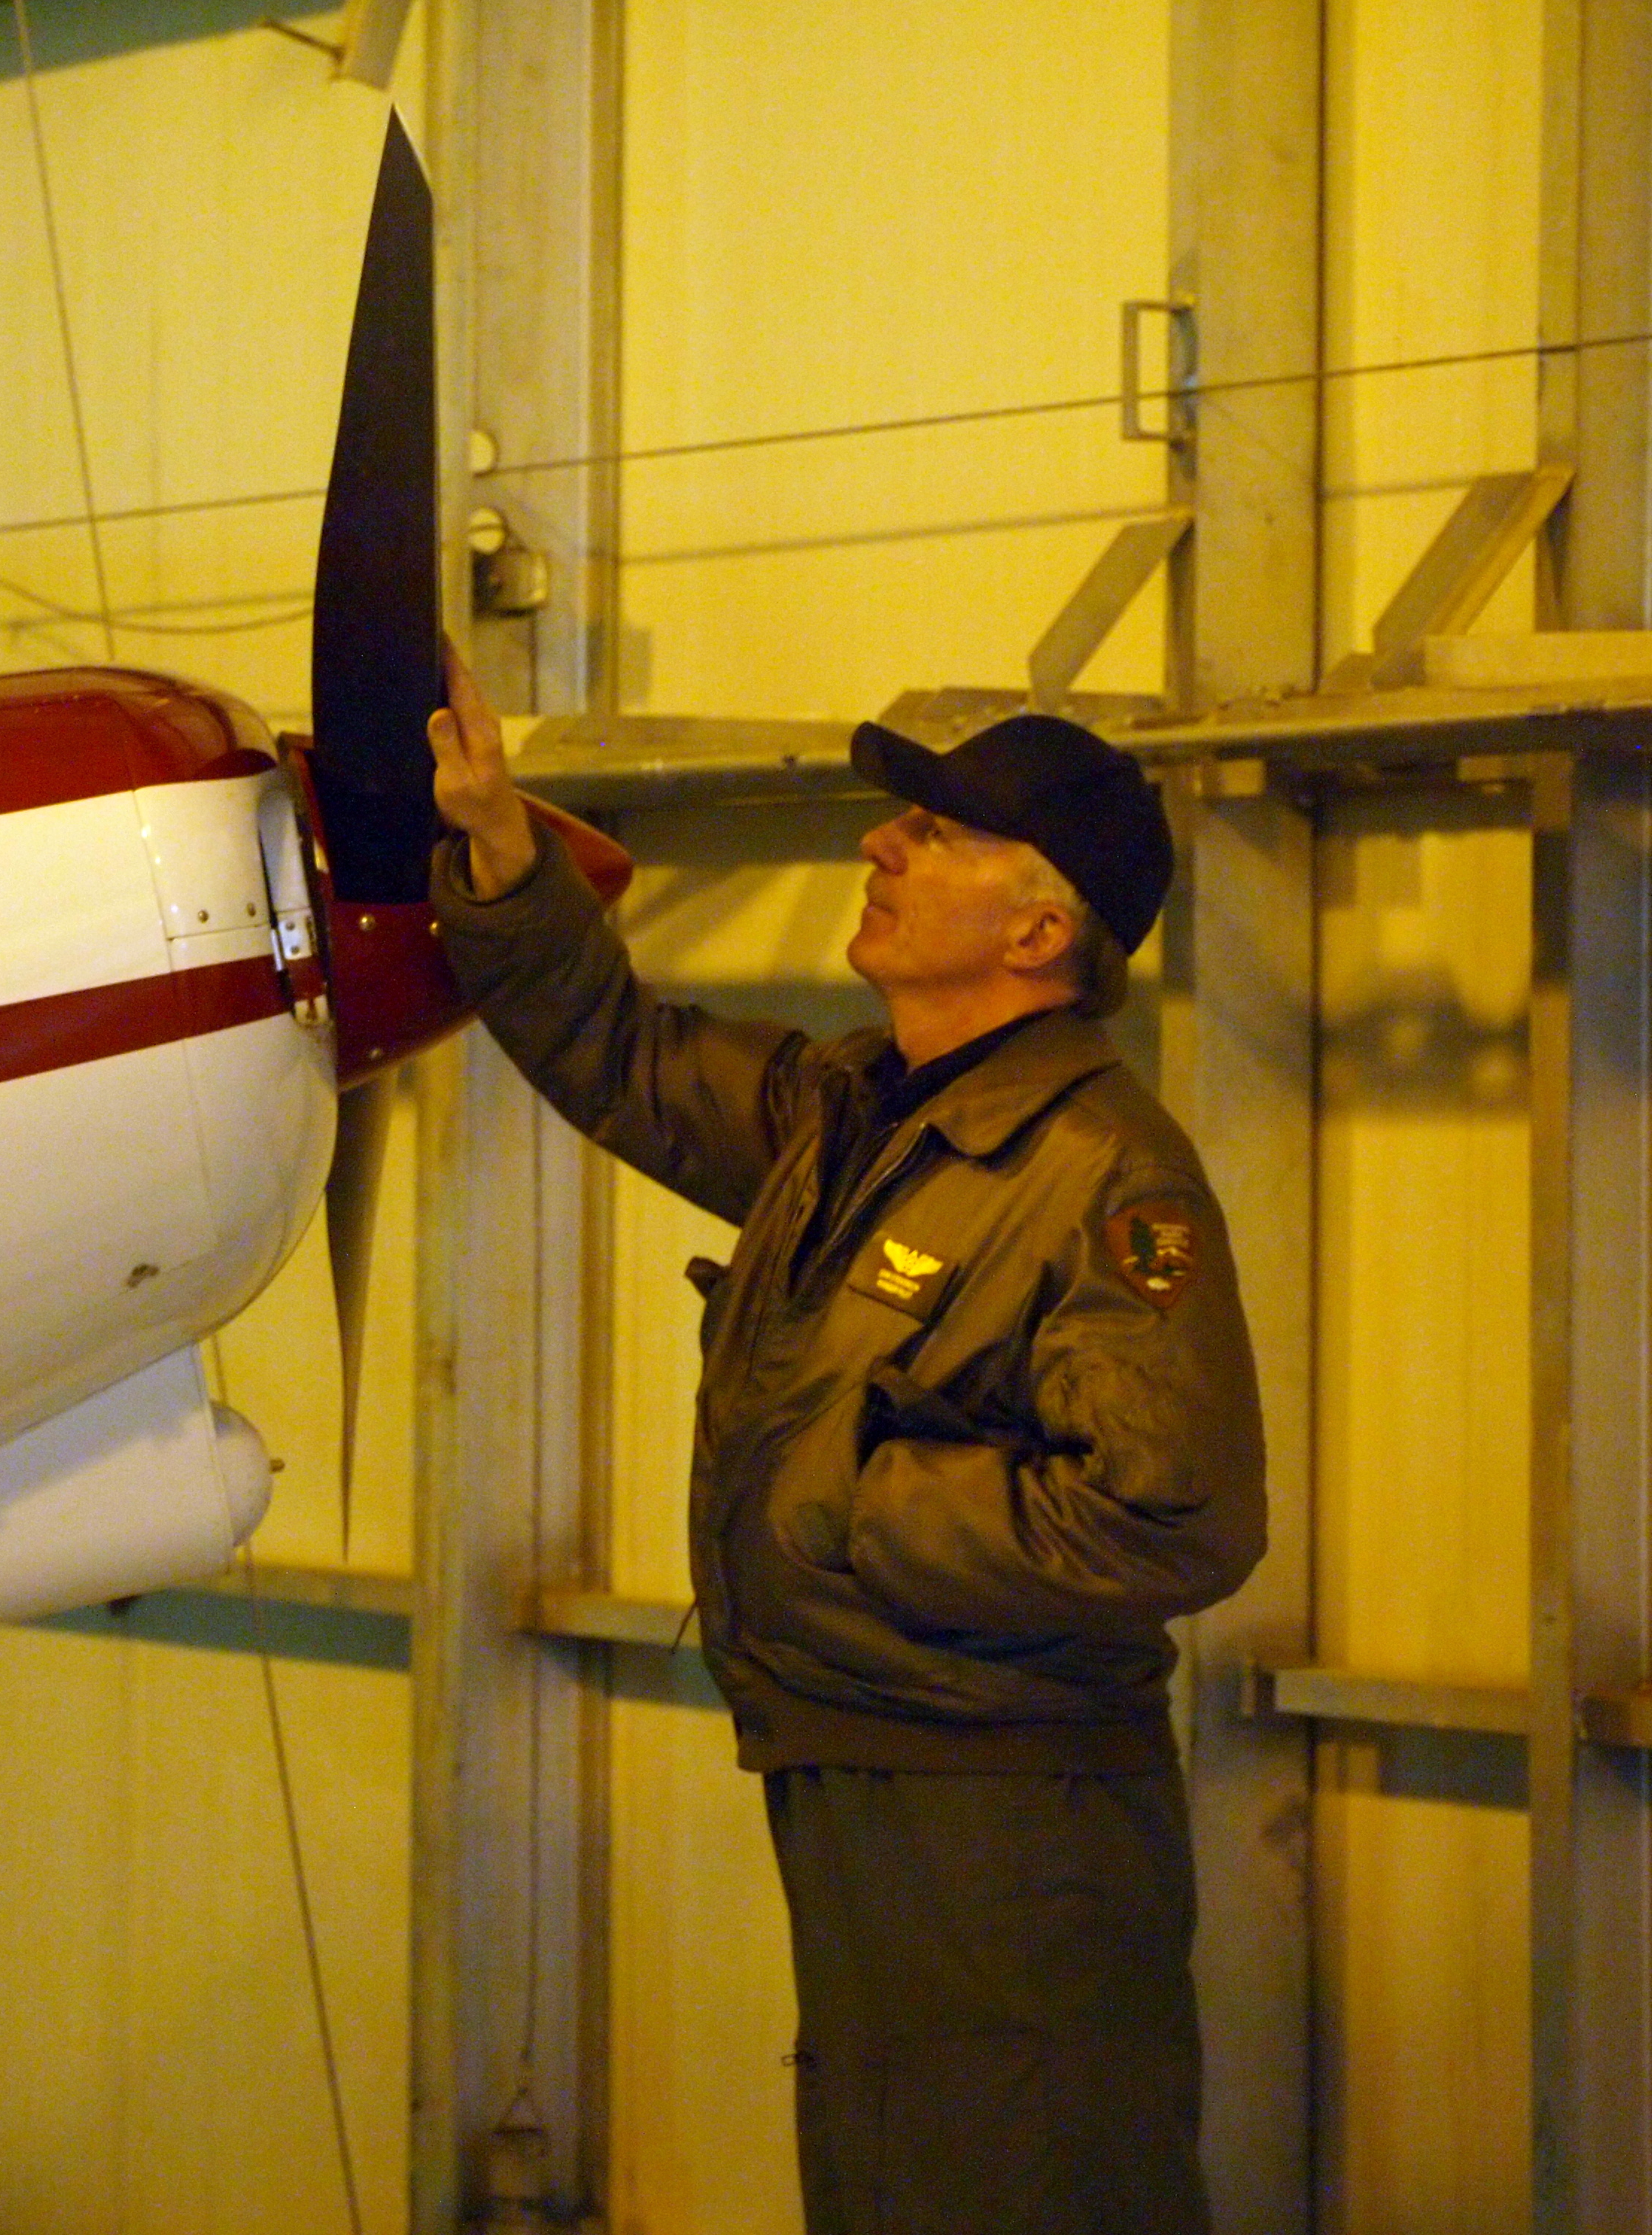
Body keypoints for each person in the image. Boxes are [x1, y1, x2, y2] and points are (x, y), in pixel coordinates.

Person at [426, 653, 1265, 2235]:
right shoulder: (858, 1117)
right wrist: (497, 853)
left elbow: (1173, 1520)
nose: (880, 846)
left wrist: (833, 1506)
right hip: (877, 1775)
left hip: (1011, 1833)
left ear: (1039, 934)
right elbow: (624, 1054)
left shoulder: (1097, 1173)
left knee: (1026, 2193)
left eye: (935, 835)